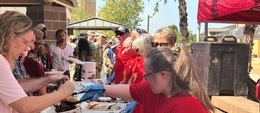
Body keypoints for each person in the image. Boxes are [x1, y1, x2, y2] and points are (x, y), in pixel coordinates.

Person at [0, 11, 74, 113]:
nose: (28, 49)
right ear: (11, 36)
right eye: (26, 43)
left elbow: (17, 87)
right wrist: (62, 93)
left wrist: (49, 79)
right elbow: (25, 106)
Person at [81, 47, 215, 113]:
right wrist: (103, 89)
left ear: (164, 74)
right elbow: (130, 90)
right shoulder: (153, 88)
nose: (145, 78)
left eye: (148, 74)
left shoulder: (186, 106)